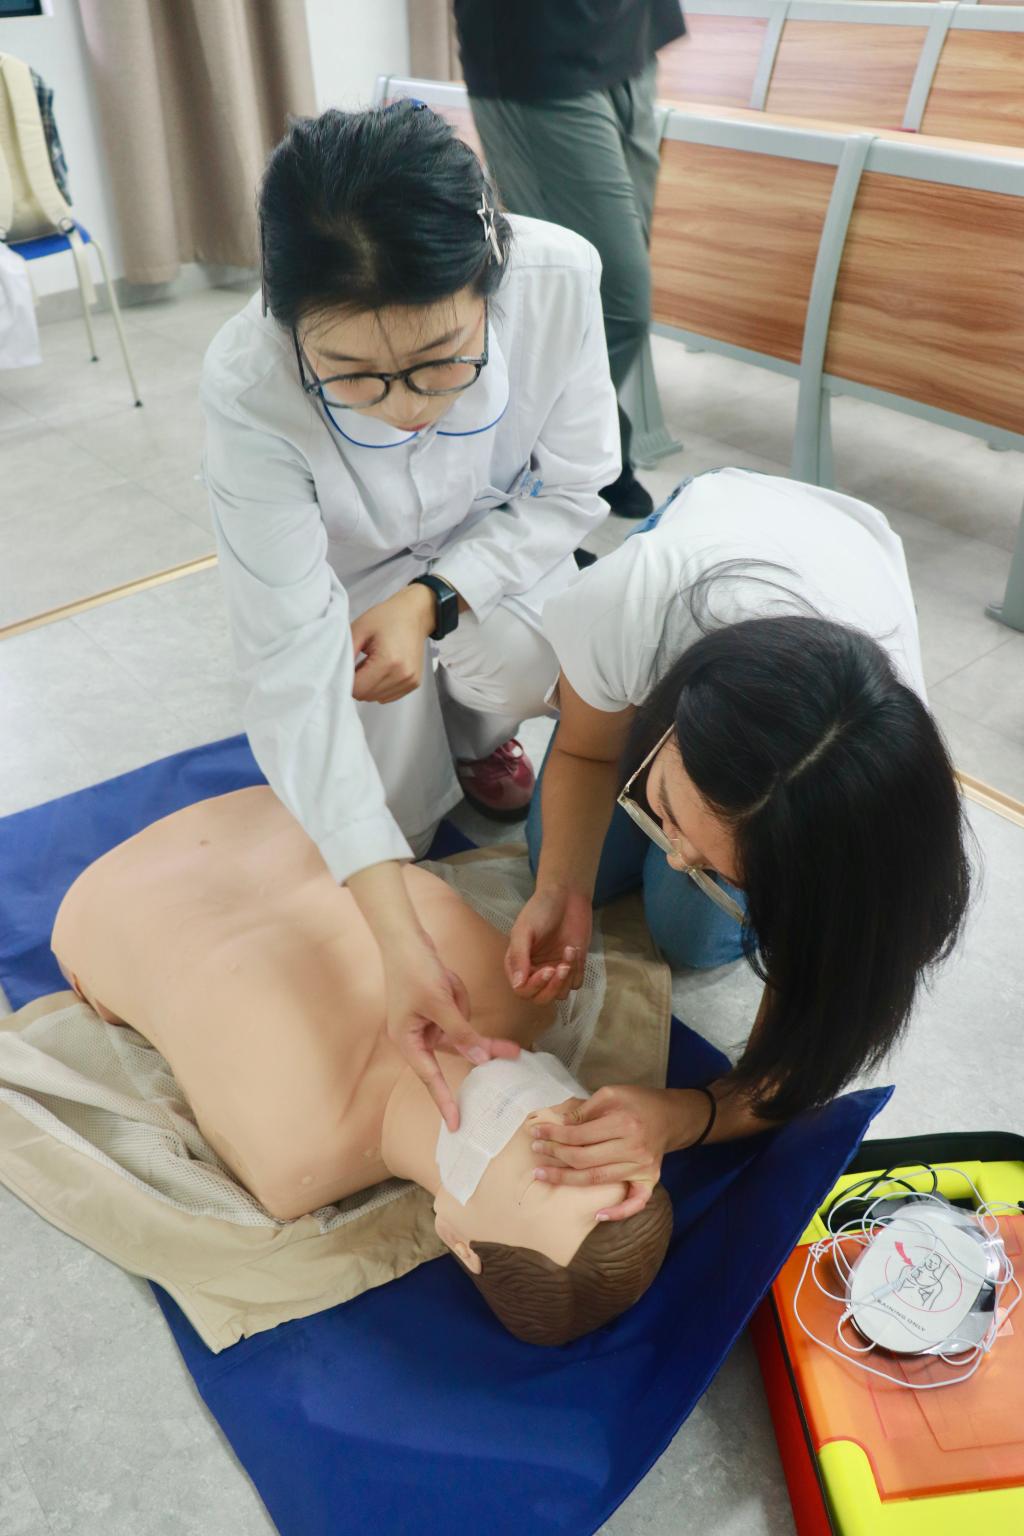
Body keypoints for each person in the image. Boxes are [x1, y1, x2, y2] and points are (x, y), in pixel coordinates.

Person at [200, 103, 619, 1126]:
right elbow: (286, 662)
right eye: (352, 377)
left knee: (523, 664)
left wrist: (433, 598)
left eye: (442, 359)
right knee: (384, 823)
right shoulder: (249, 384)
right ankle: (422, 771)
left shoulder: (558, 279)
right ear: (288, 324)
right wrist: (395, 938)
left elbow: (575, 491)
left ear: (490, 277)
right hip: (344, 586)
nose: (407, 405)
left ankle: (476, 736)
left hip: (492, 548)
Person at [50, 787, 672, 1347]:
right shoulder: (522, 993)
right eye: (593, 1142)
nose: (551, 1127)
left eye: (549, 1176)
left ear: (459, 1241)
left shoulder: (292, 1154)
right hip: (283, 789)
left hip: (108, 893)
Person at [507, 469, 972, 1215]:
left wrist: (684, 1116)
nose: (676, 855)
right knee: (560, 856)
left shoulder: (868, 830)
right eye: (668, 809)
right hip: (713, 535)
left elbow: (799, 1058)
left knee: (688, 932)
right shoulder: (632, 602)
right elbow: (588, 752)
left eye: (730, 871)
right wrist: (560, 887)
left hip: (835, 570)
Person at [455, 0, 685, 520]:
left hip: (632, 38)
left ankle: (592, 447)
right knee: (618, 299)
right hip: (538, 48)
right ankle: (529, 477)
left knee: (600, 293)